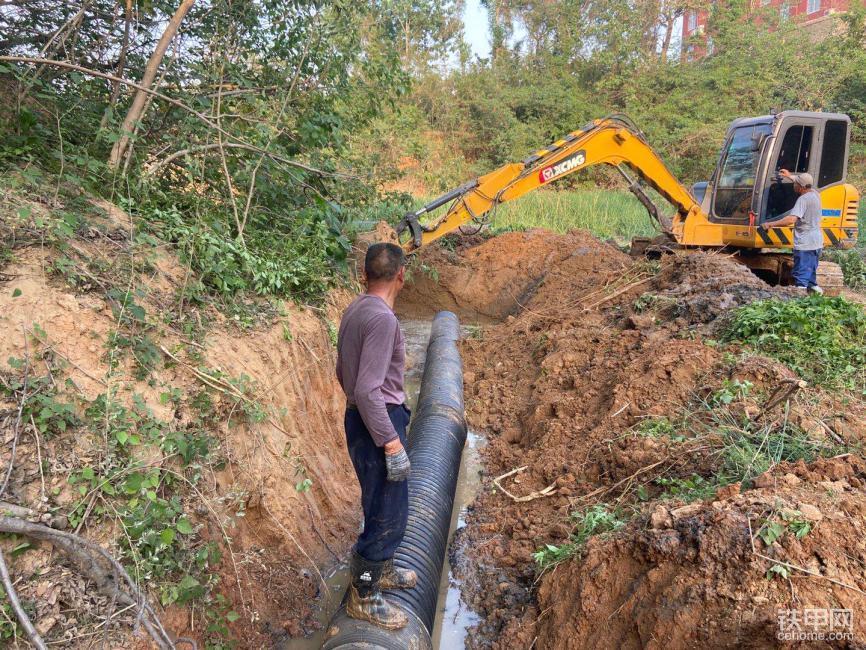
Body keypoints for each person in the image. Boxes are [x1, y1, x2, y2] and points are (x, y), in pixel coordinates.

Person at [335, 242, 416, 630]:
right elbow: (369, 389)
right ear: (401, 275)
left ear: (365, 274)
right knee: (389, 515)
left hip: (362, 420)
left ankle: (380, 569)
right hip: (377, 424)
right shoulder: (383, 320)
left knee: (381, 503)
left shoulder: (356, 308)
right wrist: (391, 440)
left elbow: (344, 373)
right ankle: (364, 595)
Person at [760, 170, 824, 294]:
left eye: (795, 184)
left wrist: (770, 224)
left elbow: (791, 219)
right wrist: (790, 177)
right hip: (817, 242)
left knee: (801, 274)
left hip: (805, 243)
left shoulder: (803, 200)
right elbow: (801, 181)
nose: (793, 185)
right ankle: (816, 296)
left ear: (800, 187)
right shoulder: (816, 194)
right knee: (810, 274)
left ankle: (799, 301)